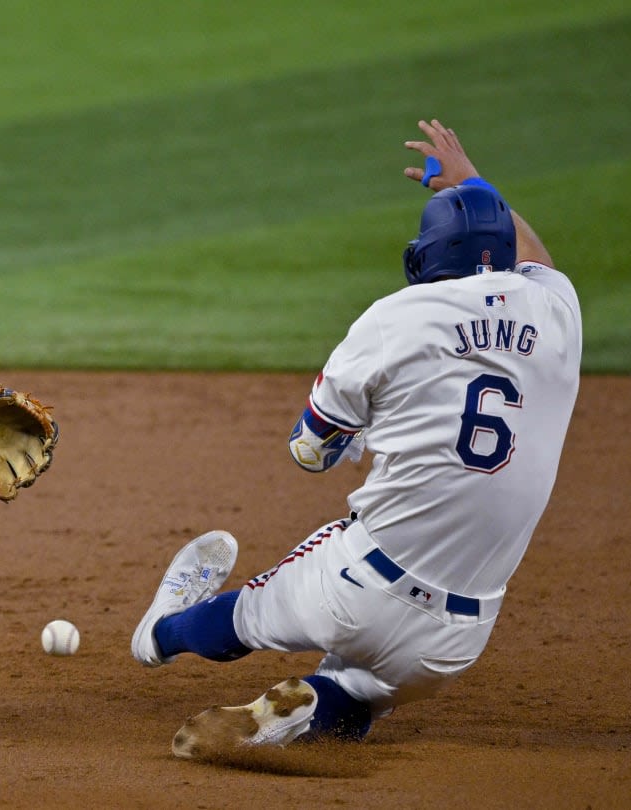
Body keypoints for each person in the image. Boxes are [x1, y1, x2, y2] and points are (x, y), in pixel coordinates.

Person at [130, 119, 582, 754]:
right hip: (459, 642)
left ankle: (160, 633)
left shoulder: (395, 316)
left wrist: (355, 434)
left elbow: (310, 451)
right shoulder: (558, 311)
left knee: (252, 611)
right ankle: (313, 710)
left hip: (355, 591)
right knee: (365, 688)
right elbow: (539, 260)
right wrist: (475, 183)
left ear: (428, 254)